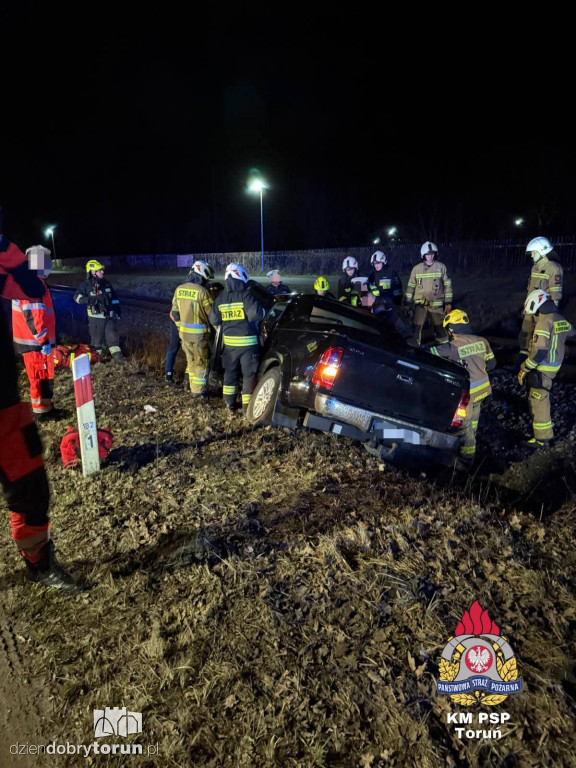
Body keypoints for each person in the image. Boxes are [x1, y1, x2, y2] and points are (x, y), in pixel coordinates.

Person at [0, 230, 83, 591]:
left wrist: (10, 251)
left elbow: (30, 287)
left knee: (33, 489)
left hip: (3, 405)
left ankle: (38, 562)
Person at [429, 309, 496, 466]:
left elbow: (430, 353)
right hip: (484, 390)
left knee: (464, 427)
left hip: (469, 393)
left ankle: (466, 460)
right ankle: (472, 444)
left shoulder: (453, 346)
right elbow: (492, 365)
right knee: (473, 421)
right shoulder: (482, 341)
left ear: (451, 329)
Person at [518, 289, 575, 449]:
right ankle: (544, 436)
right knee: (542, 398)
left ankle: (542, 440)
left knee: (539, 401)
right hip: (554, 366)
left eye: (535, 311)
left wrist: (524, 368)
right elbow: (572, 332)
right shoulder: (560, 319)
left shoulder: (543, 322)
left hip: (542, 367)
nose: (535, 315)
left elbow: (540, 351)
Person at [11, 245, 61, 420]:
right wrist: (43, 341)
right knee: (38, 377)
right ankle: (41, 413)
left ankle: (46, 408)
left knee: (44, 375)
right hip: (35, 343)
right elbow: (34, 315)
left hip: (37, 342)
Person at [209, 263, 265, 414]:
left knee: (230, 373)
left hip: (229, 347)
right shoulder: (246, 295)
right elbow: (256, 315)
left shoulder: (221, 298)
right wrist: (264, 311)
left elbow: (214, 320)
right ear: (241, 276)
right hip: (248, 346)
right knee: (248, 376)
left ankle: (229, 403)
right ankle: (247, 408)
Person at [170, 260, 214, 398]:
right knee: (200, 364)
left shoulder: (179, 289)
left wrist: (179, 328)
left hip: (184, 335)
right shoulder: (202, 292)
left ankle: (188, 385)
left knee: (190, 361)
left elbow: (175, 313)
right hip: (200, 337)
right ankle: (198, 393)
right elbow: (213, 316)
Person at [518, 237, 563, 366]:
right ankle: (522, 361)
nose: (531, 255)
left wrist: (551, 314)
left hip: (544, 311)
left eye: (533, 252)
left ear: (542, 251)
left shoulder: (554, 268)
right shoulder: (535, 268)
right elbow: (531, 289)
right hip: (531, 309)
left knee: (539, 337)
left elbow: (556, 294)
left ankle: (536, 363)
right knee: (525, 333)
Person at [74, 260, 125, 363]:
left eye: (102, 270)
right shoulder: (86, 285)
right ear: (92, 272)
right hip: (96, 320)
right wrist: (89, 300)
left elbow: (114, 297)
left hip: (109, 318)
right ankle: (96, 362)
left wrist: (117, 309)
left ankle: (119, 360)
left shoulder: (106, 283)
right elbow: (76, 297)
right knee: (97, 343)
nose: (102, 272)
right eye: (99, 270)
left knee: (113, 339)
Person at [404, 241, 453, 346]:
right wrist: (407, 303)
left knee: (441, 329)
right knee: (416, 329)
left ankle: (444, 350)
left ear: (435, 254)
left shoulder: (441, 267)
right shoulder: (416, 269)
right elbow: (410, 286)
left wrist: (448, 303)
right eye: (428, 254)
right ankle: (415, 350)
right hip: (420, 305)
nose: (430, 257)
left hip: (436, 305)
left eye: (432, 254)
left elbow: (448, 286)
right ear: (423, 255)